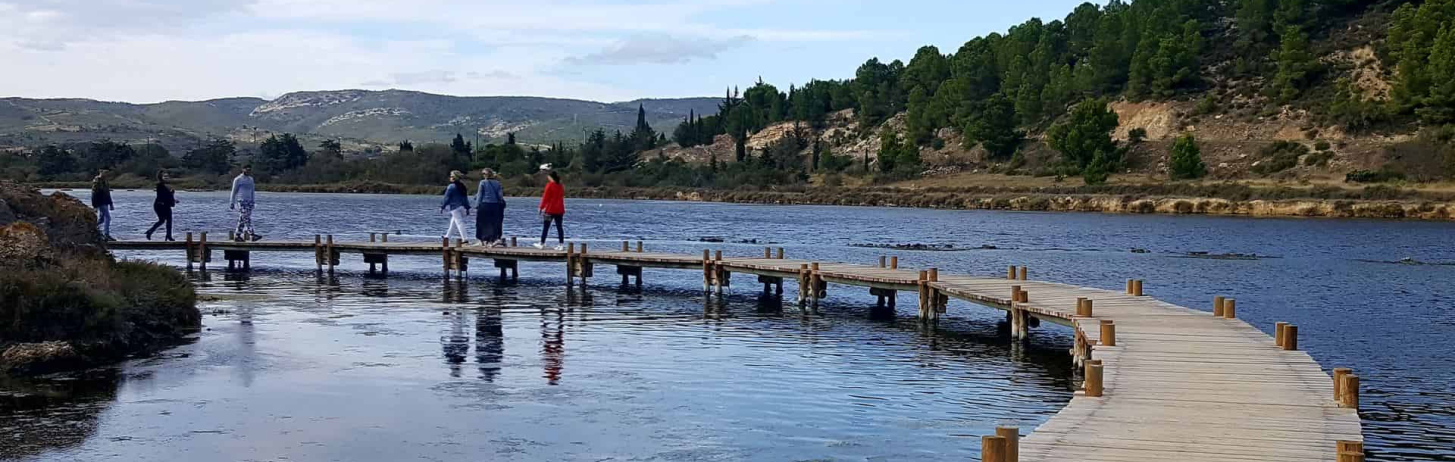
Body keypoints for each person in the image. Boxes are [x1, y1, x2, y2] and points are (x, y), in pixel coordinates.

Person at [474, 168, 506, 247]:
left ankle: (482, 239)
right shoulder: (497, 183)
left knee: (482, 223)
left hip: (484, 204)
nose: (483, 175)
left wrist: (477, 205)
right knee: (493, 223)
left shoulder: (483, 182)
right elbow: (500, 196)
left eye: (484, 174)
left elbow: (480, 195)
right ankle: (492, 239)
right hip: (495, 205)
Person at [535, 170, 566, 250]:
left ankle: (542, 243)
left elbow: (545, 198)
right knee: (559, 227)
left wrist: (541, 207)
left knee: (546, 227)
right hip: (559, 210)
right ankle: (561, 244)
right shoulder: (560, 186)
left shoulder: (549, 185)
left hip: (550, 210)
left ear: (551, 177)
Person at [229, 165, 261, 241]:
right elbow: (233, 192)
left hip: (249, 202)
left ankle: (237, 235)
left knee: (242, 219)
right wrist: (232, 202)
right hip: (241, 201)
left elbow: (252, 191)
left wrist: (253, 202)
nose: (248, 171)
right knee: (246, 218)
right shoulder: (238, 179)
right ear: (243, 170)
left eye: (250, 170)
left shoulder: (251, 179)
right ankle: (252, 234)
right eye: (247, 170)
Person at [144, 170, 177, 241]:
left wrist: (173, 200)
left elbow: (168, 196)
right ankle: (152, 232)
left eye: (167, 176)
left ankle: (167, 235)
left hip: (166, 205)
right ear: (161, 177)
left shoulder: (167, 185)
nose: (166, 178)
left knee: (167, 221)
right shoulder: (160, 185)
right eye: (165, 176)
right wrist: (170, 196)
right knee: (163, 220)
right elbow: (161, 196)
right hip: (160, 205)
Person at [439, 170, 471, 242]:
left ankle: (465, 238)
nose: (450, 177)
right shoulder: (462, 186)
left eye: (451, 176)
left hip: (455, 207)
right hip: (462, 207)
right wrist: (467, 208)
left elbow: (446, 198)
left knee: (459, 222)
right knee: (453, 222)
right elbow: (465, 198)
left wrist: (442, 207)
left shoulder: (451, 187)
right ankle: (447, 236)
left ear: (454, 178)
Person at [91, 169, 114, 241]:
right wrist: (95, 206)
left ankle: (91, 229)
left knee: (101, 219)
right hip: (100, 202)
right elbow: (94, 194)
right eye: (104, 173)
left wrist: (111, 204)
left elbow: (107, 193)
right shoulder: (97, 181)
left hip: (105, 201)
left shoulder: (106, 181)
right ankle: (106, 234)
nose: (106, 174)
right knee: (108, 217)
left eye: (107, 173)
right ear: (101, 172)